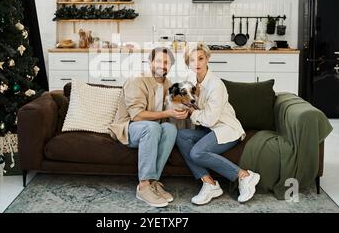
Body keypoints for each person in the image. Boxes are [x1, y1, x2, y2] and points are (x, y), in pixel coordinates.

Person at [176, 43, 261, 204]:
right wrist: (183, 105)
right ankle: (209, 184)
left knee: (197, 153)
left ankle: (244, 175)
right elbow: (185, 100)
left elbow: (209, 119)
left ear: (207, 59)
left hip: (226, 129)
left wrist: (192, 112)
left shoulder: (216, 85)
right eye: (192, 60)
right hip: (209, 130)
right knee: (181, 136)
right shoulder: (190, 80)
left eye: (200, 58)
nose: (197, 64)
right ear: (187, 63)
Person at [109, 47, 189, 208]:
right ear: (150, 62)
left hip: (154, 130)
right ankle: (144, 186)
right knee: (152, 127)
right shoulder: (137, 80)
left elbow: (177, 104)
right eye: (159, 61)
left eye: (166, 62)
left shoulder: (168, 83)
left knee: (170, 128)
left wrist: (184, 110)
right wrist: (168, 112)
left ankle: (153, 182)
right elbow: (137, 116)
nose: (162, 65)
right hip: (129, 128)